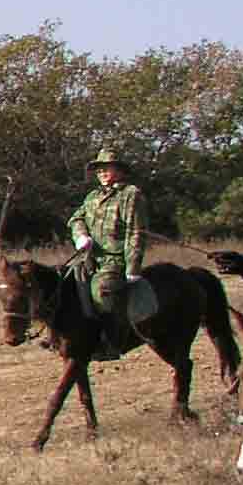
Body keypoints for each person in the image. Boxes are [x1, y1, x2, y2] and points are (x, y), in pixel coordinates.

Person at [68, 145, 147, 340]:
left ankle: (113, 339)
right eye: (99, 169)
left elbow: (135, 232)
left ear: (119, 170)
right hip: (90, 258)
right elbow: (76, 219)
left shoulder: (130, 194)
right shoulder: (92, 197)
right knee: (65, 284)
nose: (101, 172)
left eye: (106, 167)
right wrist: (81, 236)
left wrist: (133, 268)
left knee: (102, 290)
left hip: (116, 260)